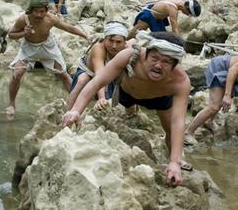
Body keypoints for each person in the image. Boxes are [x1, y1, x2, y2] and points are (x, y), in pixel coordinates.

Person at [62, 31, 191, 186]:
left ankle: (175, 159)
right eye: (154, 58)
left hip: (159, 98)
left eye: (166, 62)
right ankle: (133, 111)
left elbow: (178, 122)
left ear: (175, 64)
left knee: (169, 128)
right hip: (128, 92)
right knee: (130, 114)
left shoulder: (181, 81)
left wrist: (175, 163)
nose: (158, 65)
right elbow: (97, 82)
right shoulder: (130, 56)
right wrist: (76, 110)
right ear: (146, 54)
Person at [6, 0, 89, 117]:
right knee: (17, 74)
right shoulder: (24, 19)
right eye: (36, 11)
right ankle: (11, 104)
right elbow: (11, 35)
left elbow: (69, 28)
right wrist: (24, 32)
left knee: (63, 75)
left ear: (46, 10)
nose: (39, 15)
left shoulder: (51, 18)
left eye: (42, 11)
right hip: (28, 48)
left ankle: (76, 105)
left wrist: (86, 36)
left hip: (48, 47)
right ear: (31, 10)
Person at [66, 21, 130, 111]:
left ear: (124, 42)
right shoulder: (99, 48)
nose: (114, 46)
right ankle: (69, 111)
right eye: (111, 41)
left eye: (118, 42)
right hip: (89, 71)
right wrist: (101, 98)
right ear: (105, 39)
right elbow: (99, 74)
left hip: (110, 73)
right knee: (82, 81)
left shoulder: (127, 49)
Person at [127, 0, 201, 38]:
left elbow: (160, 1)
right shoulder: (173, 10)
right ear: (187, 8)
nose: (187, 15)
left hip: (159, 18)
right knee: (134, 34)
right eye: (189, 14)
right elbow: (175, 29)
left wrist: (146, 3)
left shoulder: (177, 0)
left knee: (162, 39)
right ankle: (123, 43)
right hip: (150, 15)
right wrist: (179, 43)